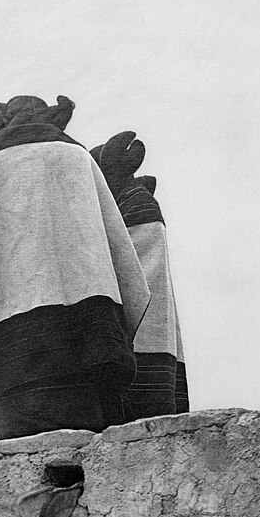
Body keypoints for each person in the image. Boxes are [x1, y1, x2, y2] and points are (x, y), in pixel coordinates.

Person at [0, 94, 151, 440]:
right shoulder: (76, 157)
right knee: (96, 449)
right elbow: (121, 254)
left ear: (2, 121)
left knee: (28, 458)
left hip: (17, 352)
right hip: (93, 336)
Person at [90, 132, 188, 419]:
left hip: (139, 338)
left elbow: (129, 275)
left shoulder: (133, 206)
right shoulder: (136, 201)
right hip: (156, 338)